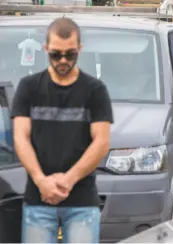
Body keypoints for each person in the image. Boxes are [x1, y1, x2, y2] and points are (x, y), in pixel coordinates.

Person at [11, 17, 113, 243]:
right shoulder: (29, 87)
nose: (63, 60)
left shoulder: (95, 91)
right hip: (38, 201)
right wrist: (41, 182)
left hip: (82, 203)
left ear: (80, 49)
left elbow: (101, 142)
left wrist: (67, 180)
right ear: (46, 49)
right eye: (56, 54)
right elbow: (20, 137)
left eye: (71, 54)